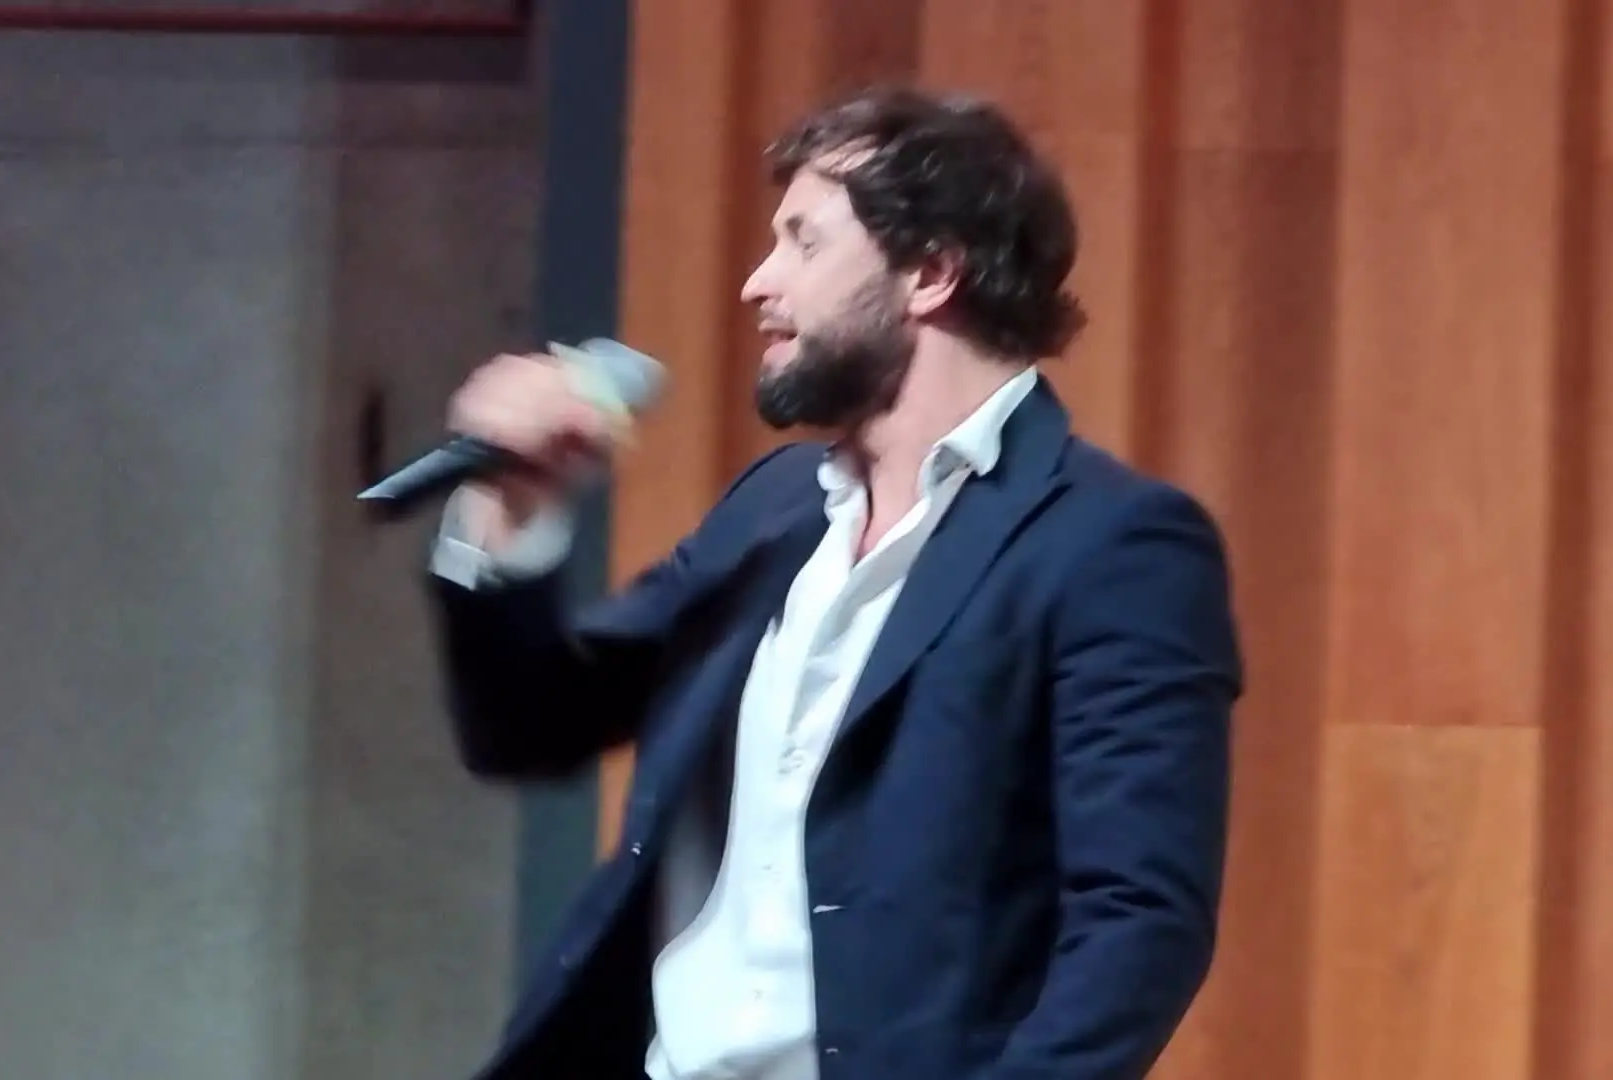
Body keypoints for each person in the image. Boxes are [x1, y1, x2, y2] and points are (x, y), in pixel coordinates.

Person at [424, 84, 1244, 1080]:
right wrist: (509, 511)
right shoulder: (774, 512)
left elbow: (1139, 922)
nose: (755, 284)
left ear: (930, 272)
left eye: (803, 243)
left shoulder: (1113, 544)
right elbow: (530, 726)